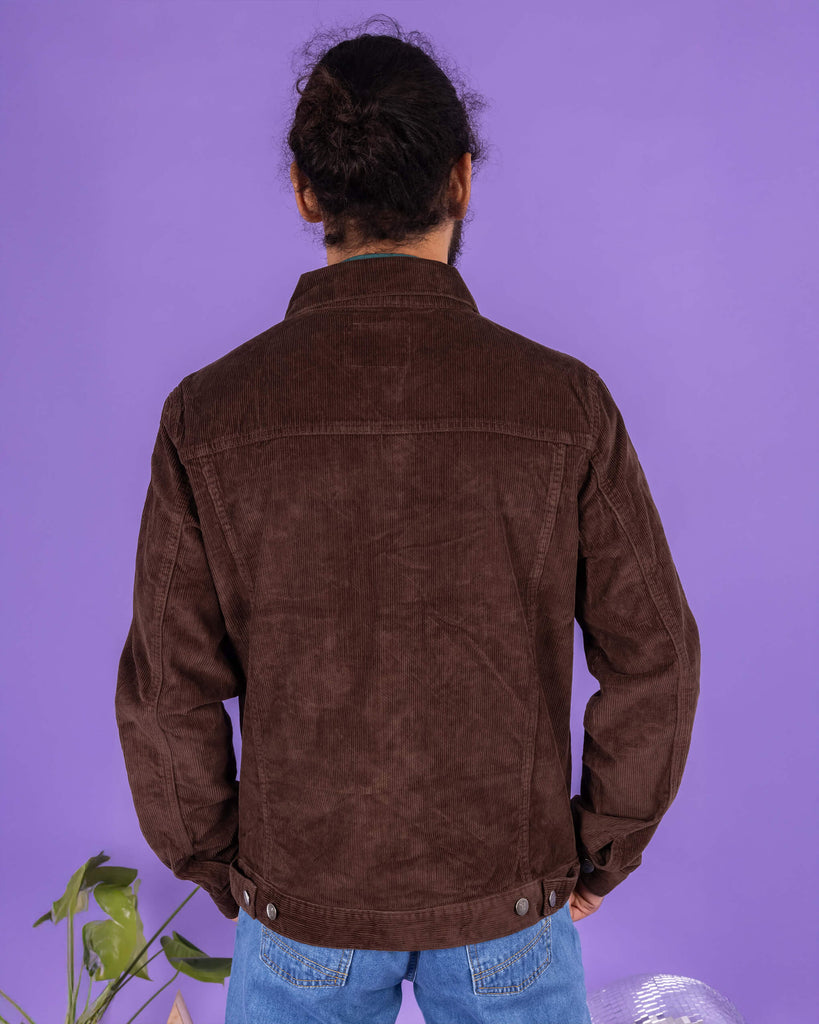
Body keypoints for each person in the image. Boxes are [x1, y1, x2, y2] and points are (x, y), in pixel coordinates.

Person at [115, 14, 700, 1024]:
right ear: (463, 180)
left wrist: (230, 867)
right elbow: (657, 655)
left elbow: (169, 690)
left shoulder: (206, 415)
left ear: (305, 189)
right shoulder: (564, 404)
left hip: (303, 907)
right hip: (512, 900)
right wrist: (598, 848)